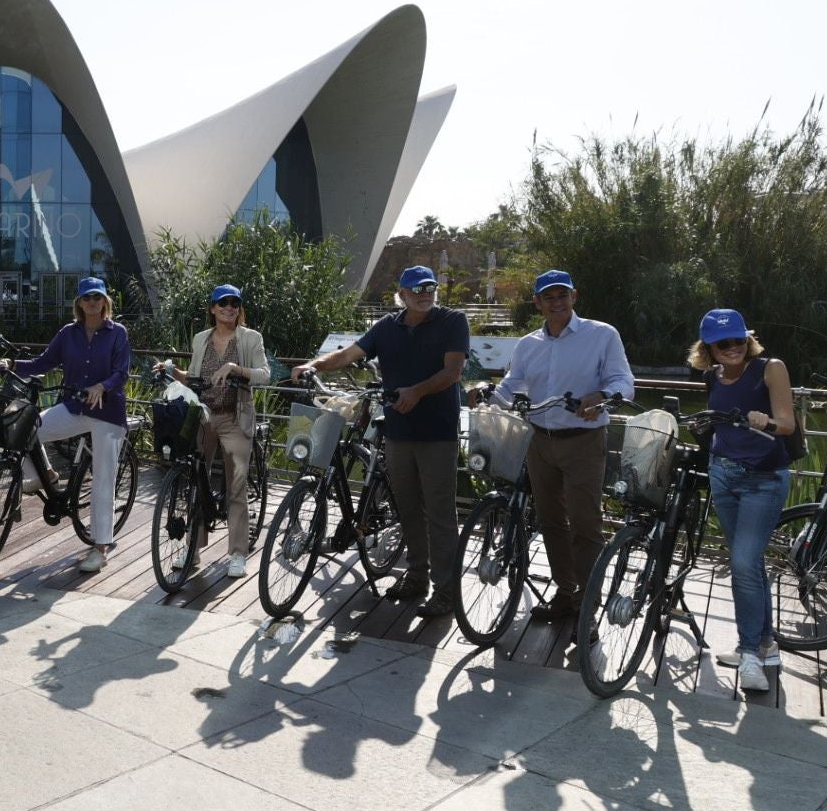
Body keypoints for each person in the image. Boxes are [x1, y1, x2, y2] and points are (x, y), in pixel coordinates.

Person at [294, 266, 468, 616]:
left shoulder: (453, 320)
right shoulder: (387, 327)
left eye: (430, 286)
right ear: (402, 294)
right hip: (398, 433)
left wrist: (416, 392)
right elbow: (347, 355)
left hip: (437, 433)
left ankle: (447, 593)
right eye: (416, 288)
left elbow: (453, 372)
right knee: (408, 510)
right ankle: (417, 577)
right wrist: (313, 364)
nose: (425, 292)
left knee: (440, 514)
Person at [490, 269, 634, 622]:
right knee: (550, 520)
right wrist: (488, 396)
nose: (557, 303)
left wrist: (601, 396)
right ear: (537, 302)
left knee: (586, 525)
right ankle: (565, 593)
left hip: (584, 441)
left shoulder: (602, 335)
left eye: (562, 295)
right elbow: (511, 384)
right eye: (548, 297)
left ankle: (588, 606)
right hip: (539, 440)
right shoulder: (527, 344)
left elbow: (624, 381)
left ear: (574, 297)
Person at [0, 276, 131, 574]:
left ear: (105, 301)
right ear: (79, 303)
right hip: (75, 406)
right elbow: (43, 362)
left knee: (104, 479)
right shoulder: (68, 333)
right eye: (86, 298)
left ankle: (100, 548)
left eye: (97, 297)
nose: (92, 302)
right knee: (28, 429)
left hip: (108, 412)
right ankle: (47, 475)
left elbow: (122, 372)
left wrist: (102, 386)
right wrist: (12, 364)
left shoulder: (117, 333)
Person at [689, 308, 793, 692]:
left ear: (747, 340)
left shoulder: (770, 368)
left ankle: (749, 653)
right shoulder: (710, 377)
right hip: (723, 474)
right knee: (747, 566)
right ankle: (764, 644)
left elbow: (788, 423)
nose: (731, 348)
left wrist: (764, 421)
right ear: (709, 348)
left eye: (737, 340)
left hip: (764, 479)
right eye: (722, 343)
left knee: (745, 563)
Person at [165, 284, 270, 577]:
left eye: (235, 303)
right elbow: (194, 378)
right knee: (195, 479)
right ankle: (193, 550)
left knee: (236, 485)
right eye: (223, 303)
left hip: (235, 418)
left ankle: (237, 553)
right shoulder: (201, 339)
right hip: (204, 416)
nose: (229, 307)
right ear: (212, 309)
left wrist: (236, 369)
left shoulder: (250, 338)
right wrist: (171, 370)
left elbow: (264, 374)